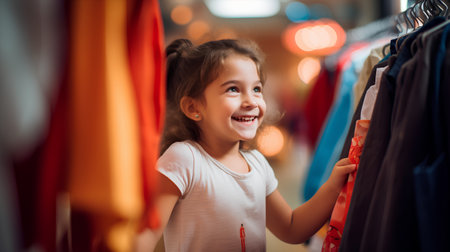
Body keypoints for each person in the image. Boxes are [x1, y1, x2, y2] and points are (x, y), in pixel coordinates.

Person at [134, 38, 355, 251]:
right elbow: (145, 236)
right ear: (194, 108)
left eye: (256, 89)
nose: (251, 101)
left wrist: (333, 186)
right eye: (233, 89)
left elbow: (291, 227)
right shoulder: (184, 158)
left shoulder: (257, 163)